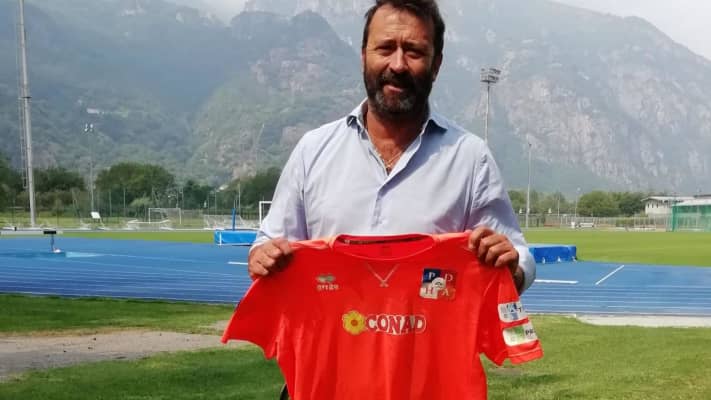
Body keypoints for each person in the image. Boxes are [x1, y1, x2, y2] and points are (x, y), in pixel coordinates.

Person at [248, 0, 535, 293]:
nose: (398, 65)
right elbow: (269, 243)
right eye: (385, 48)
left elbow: (517, 256)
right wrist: (261, 256)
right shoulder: (313, 151)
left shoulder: (470, 159)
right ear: (363, 56)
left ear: (436, 65)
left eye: (414, 52)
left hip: (432, 325)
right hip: (331, 325)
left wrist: (512, 268)